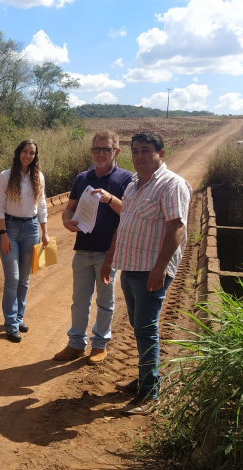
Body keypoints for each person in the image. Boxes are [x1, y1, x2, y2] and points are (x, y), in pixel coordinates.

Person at [101, 131, 192, 415]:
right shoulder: (133, 185)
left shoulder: (171, 184)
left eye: (146, 150)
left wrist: (160, 268)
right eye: (135, 150)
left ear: (161, 153)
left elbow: (176, 228)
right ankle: (144, 378)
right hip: (129, 266)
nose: (139, 156)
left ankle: (150, 393)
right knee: (139, 327)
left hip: (151, 270)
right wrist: (110, 260)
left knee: (147, 328)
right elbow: (124, 223)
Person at [53, 130, 134, 363]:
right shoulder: (82, 178)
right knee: (79, 300)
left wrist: (110, 199)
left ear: (116, 151)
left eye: (106, 149)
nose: (100, 153)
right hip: (83, 248)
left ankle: (99, 344)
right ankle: (76, 343)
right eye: (96, 149)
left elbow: (129, 213)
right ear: (91, 151)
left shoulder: (126, 179)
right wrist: (66, 221)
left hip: (109, 252)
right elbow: (70, 207)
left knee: (105, 301)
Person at [0, 139, 49, 343]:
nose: (28, 156)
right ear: (18, 153)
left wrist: (45, 232)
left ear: (35, 156)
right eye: (25, 151)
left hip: (32, 228)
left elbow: (41, 205)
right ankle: (11, 324)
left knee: (25, 279)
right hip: (11, 229)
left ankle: (18, 317)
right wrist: (3, 234)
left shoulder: (39, 177)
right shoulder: (5, 176)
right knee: (13, 278)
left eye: (32, 153)